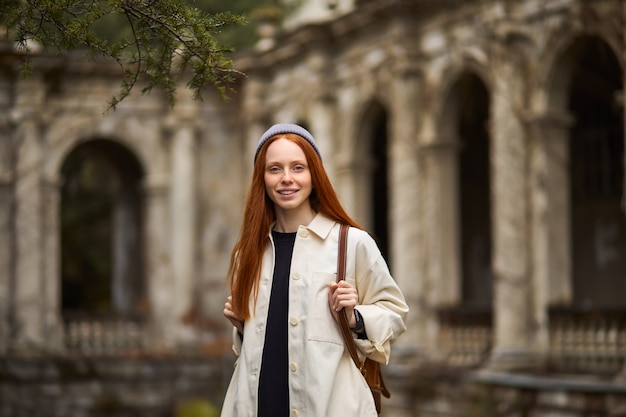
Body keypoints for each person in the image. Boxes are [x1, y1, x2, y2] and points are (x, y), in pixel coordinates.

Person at [221, 123, 408, 417]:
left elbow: (396, 314)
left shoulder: (351, 243)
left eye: (298, 167)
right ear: (262, 178)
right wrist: (244, 329)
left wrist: (354, 316)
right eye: (274, 169)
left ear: (314, 175)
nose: (286, 179)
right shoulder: (247, 254)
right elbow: (256, 350)